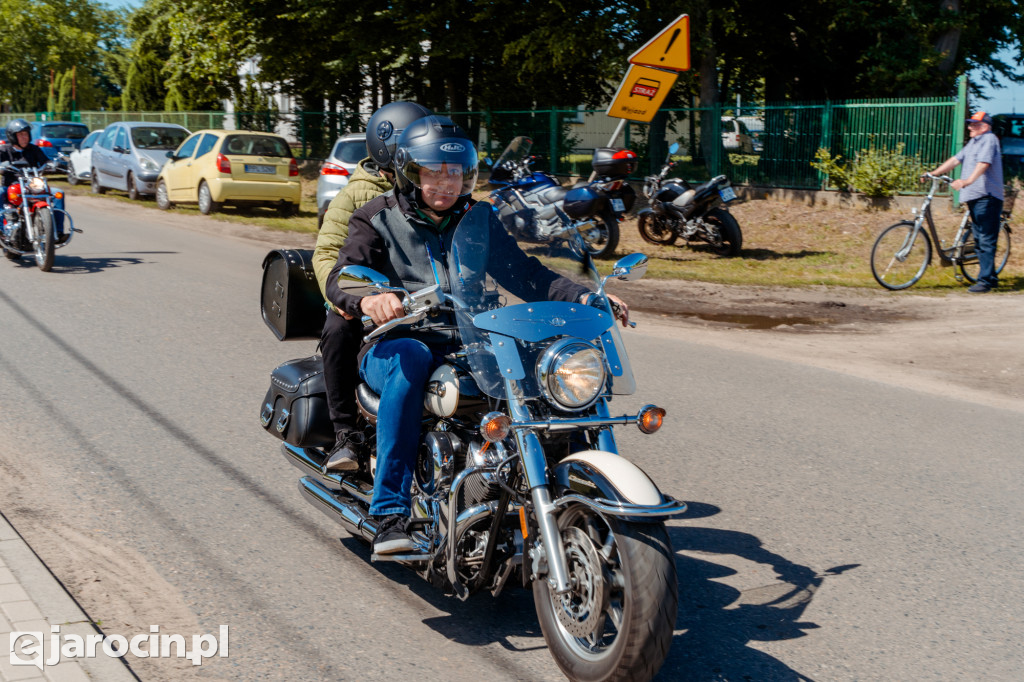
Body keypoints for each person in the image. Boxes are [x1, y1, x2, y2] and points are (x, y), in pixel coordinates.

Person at [325, 116, 630, 554]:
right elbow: (342, 275)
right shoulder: (376, 217)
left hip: (471, 339)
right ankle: (388, 511)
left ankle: (574, 489)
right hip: (396, 341)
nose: (447, 184)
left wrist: (584, 297)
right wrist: (370, 300)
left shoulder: (478, 217)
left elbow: (525, 273)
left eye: (456, 173)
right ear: (410, 172)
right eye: (434, 173)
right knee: (412, 358)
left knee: (551, 362)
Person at [313, 102, 432, 473]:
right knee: (338, 328)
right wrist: (352, 298)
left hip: (421, 297)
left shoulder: (430, 192)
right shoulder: (356, 197)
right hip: (366, 295)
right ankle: (345, 434)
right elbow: (326, 255)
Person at [927, 111, 1004, 293]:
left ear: (985, 127)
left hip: (987, 196)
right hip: (975, 197)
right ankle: (991, 278)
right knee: (978, 238)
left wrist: (967, 181)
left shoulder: (989, 139)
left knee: (985, 239)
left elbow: (984, 163)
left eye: (974, 124)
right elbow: (955, 160)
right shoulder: (973, 142)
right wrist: (933, 173)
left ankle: (985, 281)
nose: (969, 127)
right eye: (970, 124)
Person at [1, 119, 48, 187]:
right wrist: (2, 167)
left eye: (26, 134)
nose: (25, 137)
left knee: (57, 192)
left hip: (32, 185)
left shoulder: (34, 149)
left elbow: (45, 161)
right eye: (21, 134)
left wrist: (52, 164)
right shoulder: (4, 150)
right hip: (10, 185)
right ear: (12, 136)